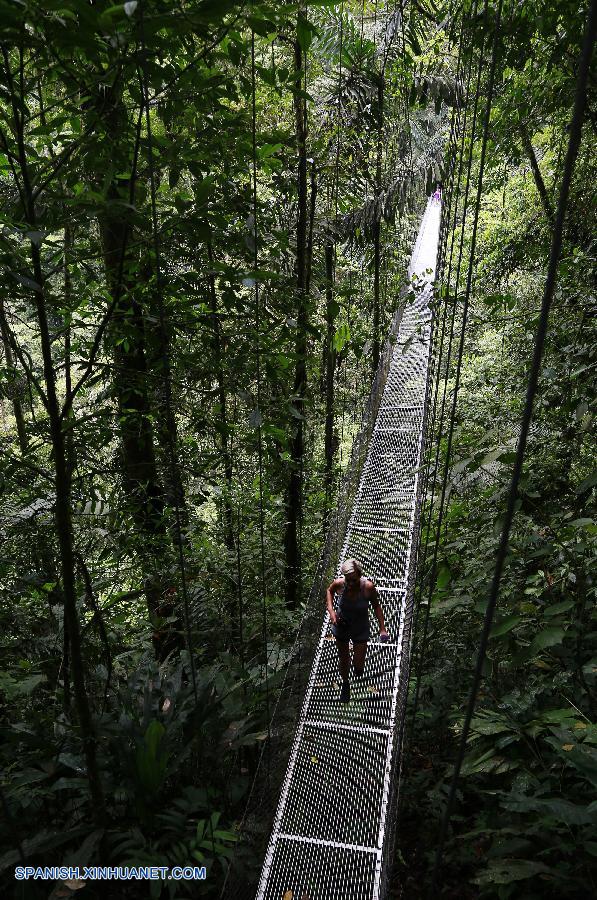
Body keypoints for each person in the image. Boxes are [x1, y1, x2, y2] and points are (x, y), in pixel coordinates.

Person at [326, 558, 389, 703]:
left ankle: (357, 669)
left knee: (358, 667)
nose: (350, 584)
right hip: (342, 625)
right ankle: (345, 684)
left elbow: (376, 606)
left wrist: (382, 629)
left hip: (360, 628)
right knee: (344, 658)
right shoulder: (340, 584)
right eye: (348, 580)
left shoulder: (368, 587)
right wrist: (332, 612)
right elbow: (329, 591)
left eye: (353, 580)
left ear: (360, 575)